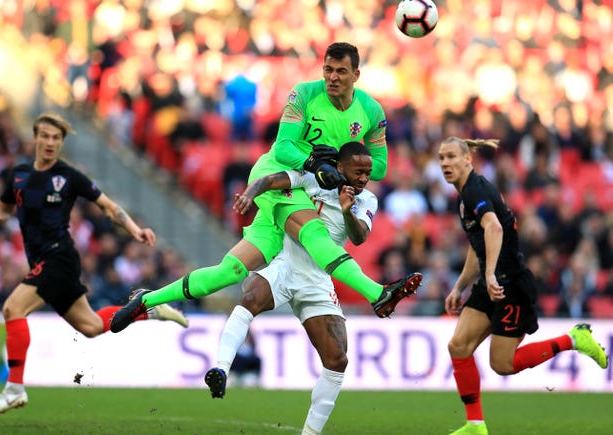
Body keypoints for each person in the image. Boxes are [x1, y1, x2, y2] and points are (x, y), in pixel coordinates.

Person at [110, 42, 422, 333]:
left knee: (229, 272)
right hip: (278, 174)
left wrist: (344, 157)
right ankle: (378, 292)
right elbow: (284, 147)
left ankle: (146, 300)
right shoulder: (303, 95)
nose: (333, 77)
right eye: (328, 69)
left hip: (309, 186)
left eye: (341, 71)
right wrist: (315, 160)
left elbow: (379, 166)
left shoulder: (371, 111)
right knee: (314, 234)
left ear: (356, 74)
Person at [0, 113, 189, 417]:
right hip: (43, 261)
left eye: (57, 138)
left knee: (13, 309)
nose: (51, 142)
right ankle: (148, 308)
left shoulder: (68, 176)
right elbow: (4, 208)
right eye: (46, 136)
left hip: (59, 258)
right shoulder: (19, 175)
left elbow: (108, 206)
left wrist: (134, 229)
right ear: (35, 137)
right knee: (91, 326)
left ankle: (14, 388)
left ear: (61, 142)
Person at [206, 142, 408, 435]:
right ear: (340, 167)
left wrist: (347, 211)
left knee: (337, 359)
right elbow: (272, 180)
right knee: (249, 298)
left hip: (318, 280)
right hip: (287, 263)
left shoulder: (368, 201)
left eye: (368, 173)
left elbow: (360, 237)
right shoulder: (315, 178)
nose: (365, 178)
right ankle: (221, 369)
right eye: (359, 171)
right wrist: (250, 194)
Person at [438, 137, 609, 435]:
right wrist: (460, 286)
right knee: (459, 346)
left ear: (468, 159)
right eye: (441, 158)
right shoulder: (464, 195)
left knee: (502, 365)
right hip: (491, 281)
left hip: (510, 285)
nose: (445, 163)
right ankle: (475, 425)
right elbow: (478, 244)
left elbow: (494, 227)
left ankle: (574, 339)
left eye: (452, 156)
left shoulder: (476, 190)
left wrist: (490, 274)